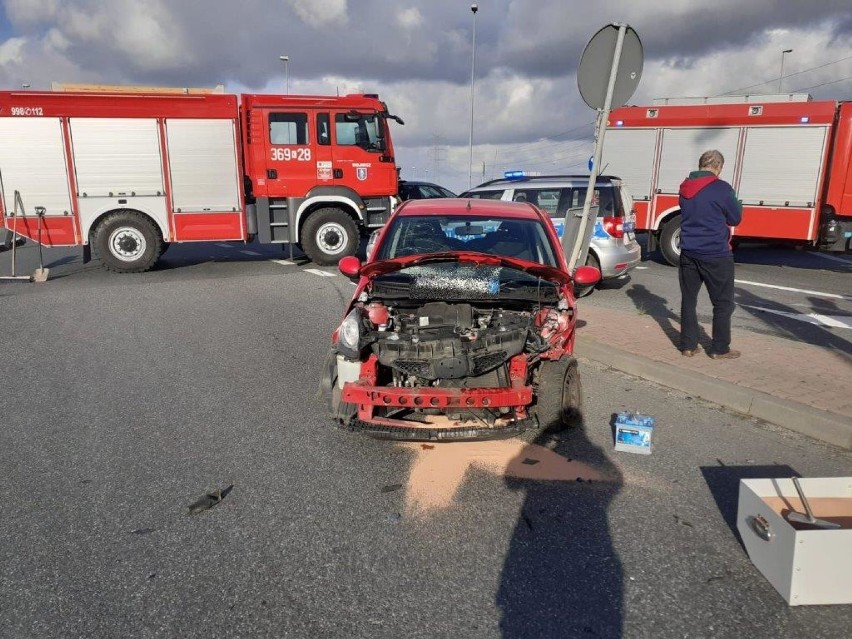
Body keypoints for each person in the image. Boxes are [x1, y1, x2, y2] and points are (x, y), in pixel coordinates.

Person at [678, 149, 742, 359]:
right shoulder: (722, 189)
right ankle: (719, 348)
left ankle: (688, 346)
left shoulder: (684, 187)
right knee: (723, 303)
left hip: (688, 251)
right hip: (715, 253)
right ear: (718, 166)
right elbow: (735, 218)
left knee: (688, 300)